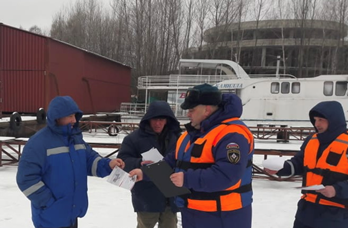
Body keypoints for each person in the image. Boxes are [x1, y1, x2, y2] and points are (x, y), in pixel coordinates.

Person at [130, 83, 254, 228]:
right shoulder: (190, 135)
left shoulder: (231, 134)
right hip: (193, 213)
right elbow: (172, 161)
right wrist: (144, 173)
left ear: (206, 109)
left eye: (192, 110)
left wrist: (187, 178)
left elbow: (228, 175)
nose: (188, 114)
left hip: (224, 216)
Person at [16, 96, 125, 228]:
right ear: (57, 117)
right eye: (69, 116)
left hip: (71, 214)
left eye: (75, 116)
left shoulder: (75, 138)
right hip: (50, 218)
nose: (74, 120)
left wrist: (108, 164)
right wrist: (49, 203)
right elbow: (26, 179)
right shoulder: (38, 143)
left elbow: (90, 161)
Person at [264, 101, 348, 228]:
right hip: (306, 213)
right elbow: (298, 163)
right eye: (315, 120)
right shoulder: (311, 140)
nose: (316, 124)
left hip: (336, 216)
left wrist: (336, 190)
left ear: (334, 120)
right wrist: (282, 169)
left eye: (321, 120)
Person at [118, 100, 181, 228]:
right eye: (154, 120)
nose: (158, 123)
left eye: (161, 120)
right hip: (146, 196)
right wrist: (138, 162)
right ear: (148, 119)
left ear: (168, 120)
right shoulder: (133, 139)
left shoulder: (178, 138)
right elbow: (122, 161)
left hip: (171, 195)